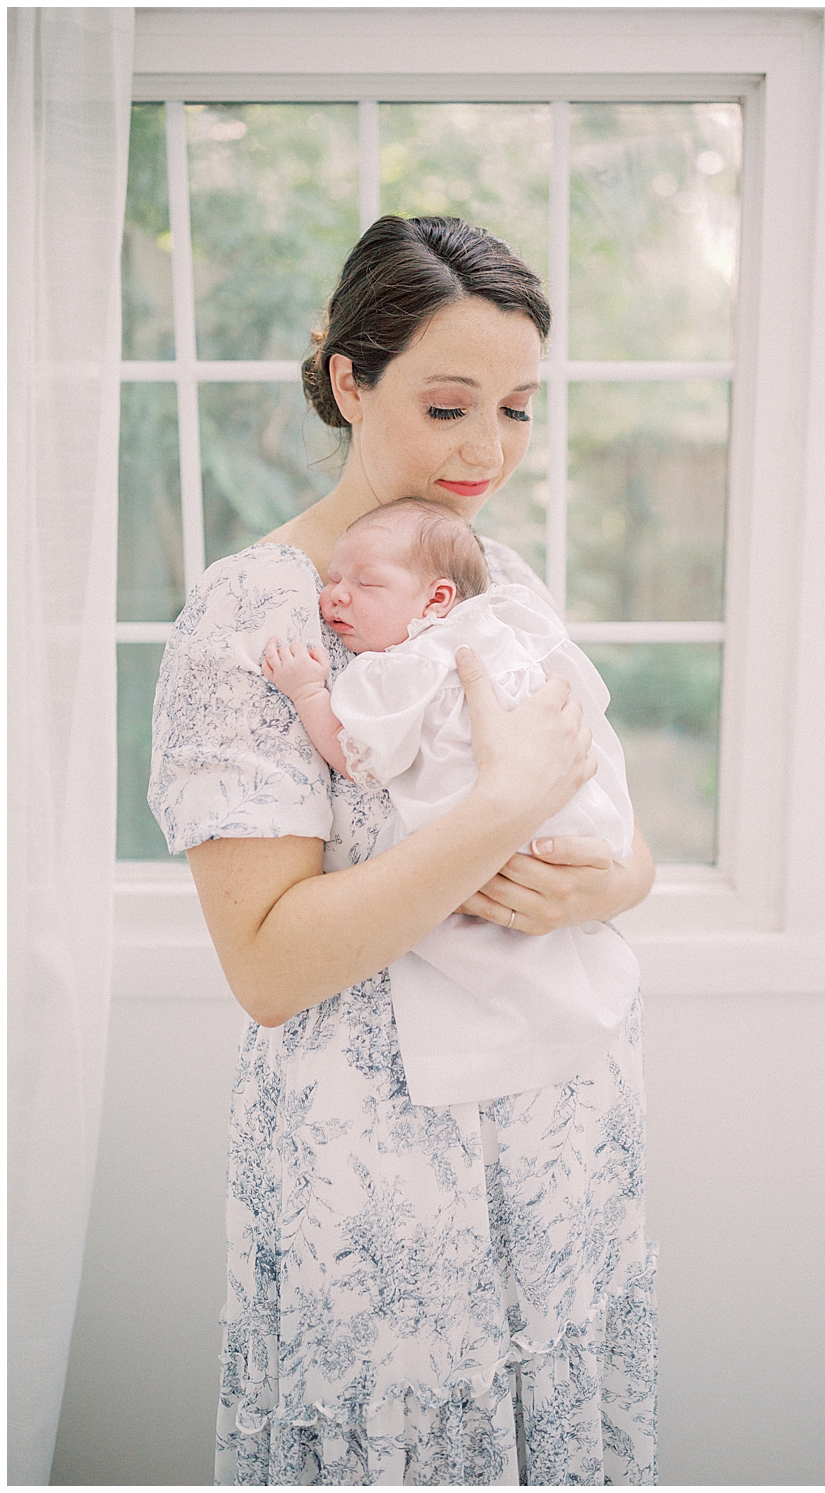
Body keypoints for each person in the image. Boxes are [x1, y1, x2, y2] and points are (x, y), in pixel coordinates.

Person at [148, 215, 658, 1486]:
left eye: (518, 409)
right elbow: (267, 966)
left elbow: (622, 843)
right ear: (346, 380)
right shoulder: (256, 615)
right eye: (446, 405)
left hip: (555, 1128)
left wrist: (607, 881)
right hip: (378, 1169)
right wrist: (498, 809)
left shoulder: (502, 577)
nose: (487, 449)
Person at [261, 496, 642, 1108]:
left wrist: (308, 690)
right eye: (332, 580)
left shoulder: (405, 668)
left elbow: (352, 756)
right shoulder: (511, 629)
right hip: (571, 834)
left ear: (436, 601)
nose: (334, 596)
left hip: (496, 851)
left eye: (365, 583)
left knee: (462, 961)